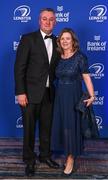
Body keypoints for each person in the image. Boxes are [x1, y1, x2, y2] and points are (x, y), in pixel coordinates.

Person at [14, 8, 60, 177]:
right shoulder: (28, 39)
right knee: (29, 130)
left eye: (51, 19)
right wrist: (20, 92)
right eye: (44, 19)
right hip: (29, 94)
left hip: (49, 93)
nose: (47, 22)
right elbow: (19, 68)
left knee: (47, 128)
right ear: (39, 21)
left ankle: (45, 156)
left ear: (55, 22)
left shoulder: (57, 42)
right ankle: (29, 160)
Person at [51, 28, 97, 176]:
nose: (65, 41)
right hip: (60, 96)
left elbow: (86, 77)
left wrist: (92, 95)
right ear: (59, 42)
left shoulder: (80, 57)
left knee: (71, 126)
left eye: (68, 38)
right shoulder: (58, 57)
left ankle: (70, 158)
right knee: (63, 125)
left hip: (73, 96)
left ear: (73, 41)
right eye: (62, 39)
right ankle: (67, 153)